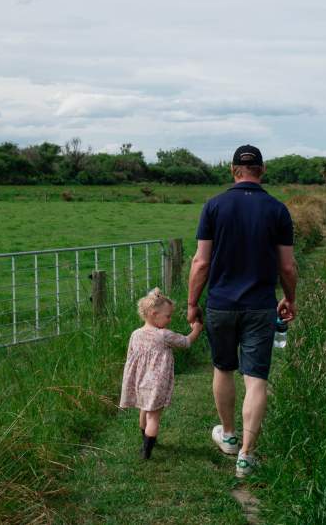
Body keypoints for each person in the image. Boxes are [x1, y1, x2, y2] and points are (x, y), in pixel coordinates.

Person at [187, 144, 297, 477]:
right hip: (261, 306)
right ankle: (246, 457)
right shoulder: (277, 210)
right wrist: (289, 299)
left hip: (220, 304)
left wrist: (193, 303)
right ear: (261, 171)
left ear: (233, 171)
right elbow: (288, 267)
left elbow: (201, 262)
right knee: (256, 379)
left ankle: (230, 436)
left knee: (223, 368)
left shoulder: (214, 206)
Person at [119, 287, 203, 459]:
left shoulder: (135, 334)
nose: (170, 320)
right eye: (167, 316)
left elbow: (130, 358)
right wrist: (197, 329)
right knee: (153, 418)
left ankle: (146, 442)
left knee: (144, 410)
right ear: (153, 314)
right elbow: (186, 342)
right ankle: (147, 451)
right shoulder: (163, 335)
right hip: (156, 383)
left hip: (140, 381)